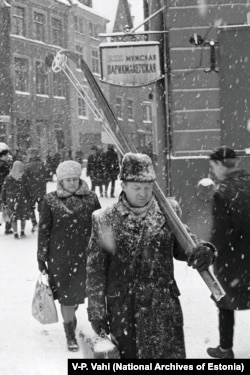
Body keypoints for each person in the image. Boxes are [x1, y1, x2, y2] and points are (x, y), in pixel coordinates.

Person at [86, 152, 215, 359]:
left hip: (163, 305)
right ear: (124, 186)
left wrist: (203, 251)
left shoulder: (168, 213)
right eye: (137, 188)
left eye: (147, 188)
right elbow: (95, 270)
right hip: (125, 308)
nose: (143, 193)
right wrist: (96, 311)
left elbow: (185, 245)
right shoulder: (105, 219)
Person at [37, 160, 101, 352]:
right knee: (67, 297)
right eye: (67, 180)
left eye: (74, 179)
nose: (72, 183)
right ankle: (70, 334)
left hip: (87, 256)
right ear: (60, 181)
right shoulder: (50, 200)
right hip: (61, 257)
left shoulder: (91, 198)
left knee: (80, 296)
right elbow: (44, 230)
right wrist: (41, 256)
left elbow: (100, 226)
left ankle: (71, 316)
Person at [207, 146, 250, 359]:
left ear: (220, 165)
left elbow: (221, 233)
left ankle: (225, 349)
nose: (212, 170)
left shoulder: (223, 193)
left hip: (234, 260)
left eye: (213, 166)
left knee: (224, 300)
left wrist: (209, 251)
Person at [1, 161, 33, 239]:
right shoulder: (24, 177)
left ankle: (15, 233)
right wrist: (30, 197)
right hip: (22, 199)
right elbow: (29, 188)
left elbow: (4, 189)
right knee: (23, 216)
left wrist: (3, 199)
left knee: (13, 217)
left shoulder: (8, 177)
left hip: (11, 200)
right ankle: (22, 231)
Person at [24, 148, 50, 232]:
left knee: (31, 207)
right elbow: (47, 175)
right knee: (42, 207)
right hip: (41, 188)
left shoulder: (27, 165)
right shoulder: (43, 164)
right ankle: (41, 223)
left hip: (31, 189)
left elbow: (24, 178)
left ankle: (34, 223)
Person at [0, 142, 13, 234]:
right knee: (7, 207)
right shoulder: (4, 165)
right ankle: (8, 227)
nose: (8, 156)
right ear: (3, 155)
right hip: (3, 189)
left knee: (4, 207)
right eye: (7, 154)